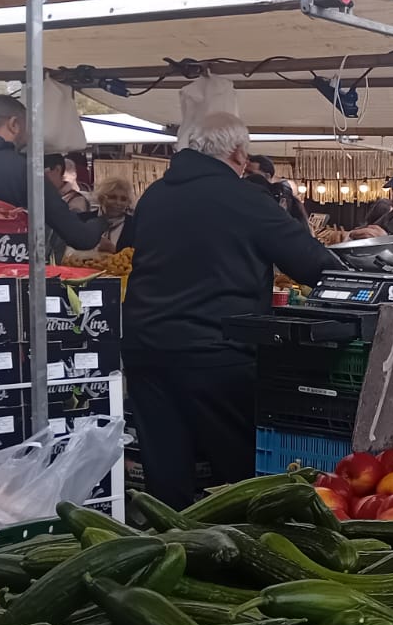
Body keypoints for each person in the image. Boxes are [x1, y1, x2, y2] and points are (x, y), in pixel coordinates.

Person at [120, 113, 334, 508]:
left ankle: (173, 548)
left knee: (166, 477)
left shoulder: (154, 195)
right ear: (238, 153)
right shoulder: (246, 200)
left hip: (145, 349)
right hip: (214, 353)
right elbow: (311, 263)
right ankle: (238, 551)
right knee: (239, 478)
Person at [0, 95, 102, 252]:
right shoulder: (23, 170)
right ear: (14, 124)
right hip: (3, 271)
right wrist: (102, 222)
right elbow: (80, 238)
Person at [64, 176, 135, 263]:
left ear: (128, 203)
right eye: (112, 197)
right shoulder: (82, 220)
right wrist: (93, 246)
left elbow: (137, 259)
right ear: (101, 198)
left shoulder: (135, 226)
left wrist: (114, 251)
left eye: (123, 199)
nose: (118, 203)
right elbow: (67, 252)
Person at [246, 154, 309, 224]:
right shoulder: (246, 195)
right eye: (244, 172)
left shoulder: (280, 196)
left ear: (267, 176)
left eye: (250, 173)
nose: (245, 176)